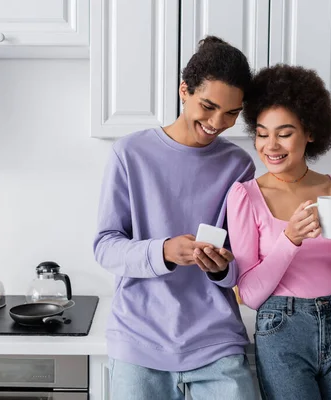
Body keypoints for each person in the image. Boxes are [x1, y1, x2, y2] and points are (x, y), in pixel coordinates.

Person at [93, 36, 257, 399]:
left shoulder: (239, 166)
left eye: (232, 113)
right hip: (139, 341)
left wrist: (218, 267)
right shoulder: (130, 153)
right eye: (208, 106)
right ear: (184, 90)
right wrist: (164, 251)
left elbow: (241, 265)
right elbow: (105, 247)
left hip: (216, 345)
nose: (218, 122)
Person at [226, 64, 331, 400]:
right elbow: (249, 294)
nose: (270, 145)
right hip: (281, 329)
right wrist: (289, 240)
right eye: (262, 133)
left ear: (310, 132)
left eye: (284, 132)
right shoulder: (245, 196)